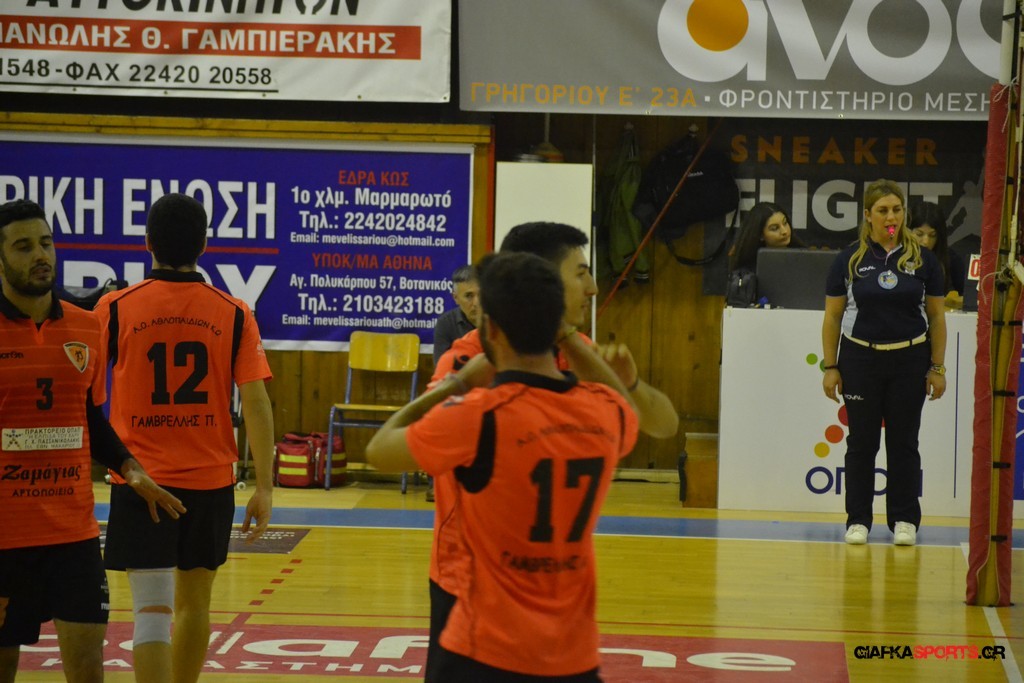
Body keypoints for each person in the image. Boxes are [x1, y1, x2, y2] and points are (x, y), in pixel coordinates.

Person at [366, 251, 640, 681]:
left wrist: (456, 385)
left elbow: (379, 450)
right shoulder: (606, 411)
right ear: (560, 326)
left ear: (490, 329)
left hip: (485, 649)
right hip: (574, 654)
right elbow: (627, 405)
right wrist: (581, 347)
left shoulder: (478, 415)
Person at [424, 222, 678, 678]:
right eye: (581, 273)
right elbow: (408, 442)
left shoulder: (581, 355)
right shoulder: (466, 359)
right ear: (541, 280)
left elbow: (663, 425)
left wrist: (632, 383)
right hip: (470, 583)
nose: (593, 288)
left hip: (556, 587)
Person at [0, 199, 185, 683]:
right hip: (6, 537)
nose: (40, 255)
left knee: (88, 669)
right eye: (23, 247)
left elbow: (86, 415)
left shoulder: (86, 326)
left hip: (73, 536)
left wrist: (130, 468)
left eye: (45, 243)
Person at [93, 193, 275, 683]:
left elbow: (84, 391)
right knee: (195, 606)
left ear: (147, 242)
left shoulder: (115, 307)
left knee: (151, 612)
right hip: (209, 483)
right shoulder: (234, 312)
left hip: (140, 478)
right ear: (204, 245)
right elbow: (256, 403)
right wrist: (264, 485)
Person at [821, 179, 947, 547]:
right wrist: (831, 366)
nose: (891, 218)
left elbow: (937, 317)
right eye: (883, 211)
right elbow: (832, 317)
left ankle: (904, 519)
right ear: (868, 215)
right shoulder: (848, 260)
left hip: (910, 360)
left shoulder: (924, 260)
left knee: (904, 442)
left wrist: (937, 367)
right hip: (860, 360)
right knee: (862, 443)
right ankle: (858, 520)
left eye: (897, 210)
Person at [909, 201, 966, 304]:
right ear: (908, 232)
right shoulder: (897, 257)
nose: (926, 241)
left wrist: (951, 301)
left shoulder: (952, 259)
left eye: (932, 235)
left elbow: (967, 299)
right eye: (919, 234)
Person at [729, 201, 806, 273]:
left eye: (785, 223)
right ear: (760, 235)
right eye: (775, 228)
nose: (784, 231)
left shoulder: (805, 257)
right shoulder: (747, 271)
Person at [432, 265, 480, 367]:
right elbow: (442, 369)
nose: (477, 303)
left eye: (481, 295)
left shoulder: (499, 320)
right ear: (456, 298)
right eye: (469, 296)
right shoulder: (446, 324)